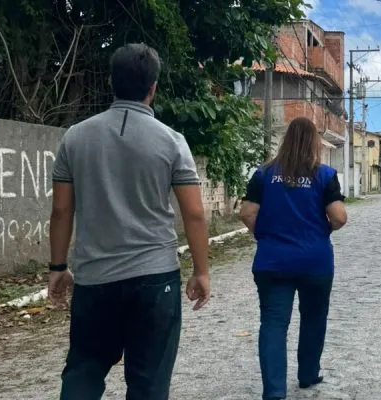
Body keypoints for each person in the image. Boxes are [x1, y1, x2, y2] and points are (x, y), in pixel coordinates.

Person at [48, 43, 211, 400]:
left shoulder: (74, 137)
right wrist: (201, 271)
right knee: (149, 382)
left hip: (94, 279)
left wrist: (58, 266)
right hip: (155, 280)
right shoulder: (173, 142)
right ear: (153, 87)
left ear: (112, 82)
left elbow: (61, 211)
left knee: (84, 370)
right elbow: (194, 213)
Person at [239, 117, 348, 400]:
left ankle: (274, 392)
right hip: (315, 262)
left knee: (274, 323)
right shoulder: (324, 175)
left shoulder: (263, 174)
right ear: (314, 143)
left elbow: (247, 212)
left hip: (272, 261)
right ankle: (308, 373)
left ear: (285, 140)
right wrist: (323, 228)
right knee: (313, 318)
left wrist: (265, 234)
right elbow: (339, 217)